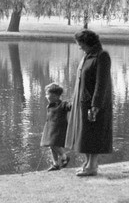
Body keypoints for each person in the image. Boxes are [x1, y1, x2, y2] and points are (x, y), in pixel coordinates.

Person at [65, 29, 113, 177]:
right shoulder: (88, 55)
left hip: (94, 104)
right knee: (84, 135)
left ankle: (92, 166)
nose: (79, 47)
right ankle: (88, 163)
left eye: (81, 43)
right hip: (83, 102)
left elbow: (101, 83)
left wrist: (95, 105)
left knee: (94, 134)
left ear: (88, 42)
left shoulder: (102, 56)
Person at [40, 83, 71, 171]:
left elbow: (71, 106)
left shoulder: (63, 104)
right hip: (50, 129)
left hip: (59, 129)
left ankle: (65, 157)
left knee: (53, 144)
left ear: (56, 96)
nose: (46, 96)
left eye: (48, 94)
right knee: (51, 146)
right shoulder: (50, 106)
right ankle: (55, 164)